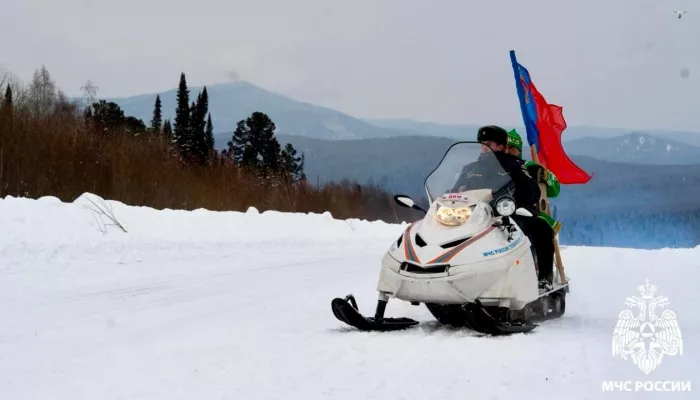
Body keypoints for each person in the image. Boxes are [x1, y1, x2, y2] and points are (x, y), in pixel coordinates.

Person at [451, 125, 555, 290]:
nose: (484, 147)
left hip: (505, 215)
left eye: (489, 143)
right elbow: (453, 192)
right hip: (471, 216)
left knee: (542, 228)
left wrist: (517, 202)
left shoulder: (514, 165)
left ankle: (544, 279)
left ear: (500, 146)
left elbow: (531, 190)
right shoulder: (469, 169)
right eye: (482, 143)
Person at [505, 129, 562, 233]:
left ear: (519, 151)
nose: (507, 151)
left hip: (523, 212)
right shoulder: (494, 166)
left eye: (511, 148)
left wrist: (544, 175)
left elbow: (555, 190)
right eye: (505, 148)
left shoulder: (528, 167)